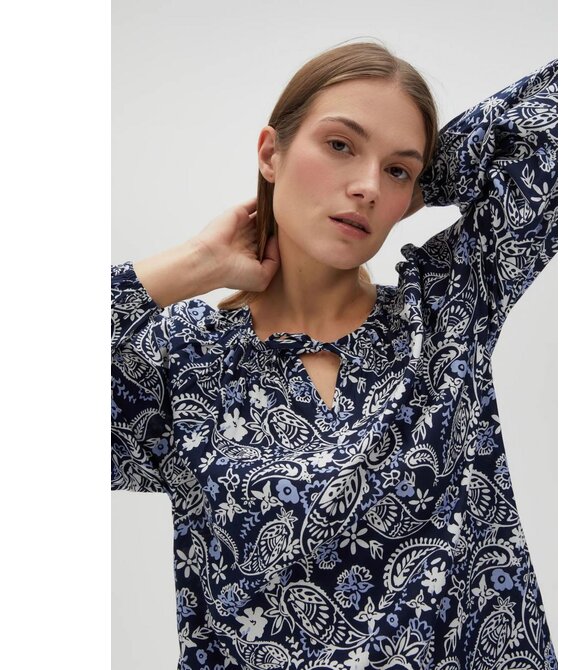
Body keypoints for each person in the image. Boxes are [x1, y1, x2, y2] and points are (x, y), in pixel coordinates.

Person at [112, 41, 558, 669]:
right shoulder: (184, 363)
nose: (368, 187)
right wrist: (196, 263)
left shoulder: (444, 319)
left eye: (397, 171)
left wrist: (429, 175)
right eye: (341, 145)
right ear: (271, 153)